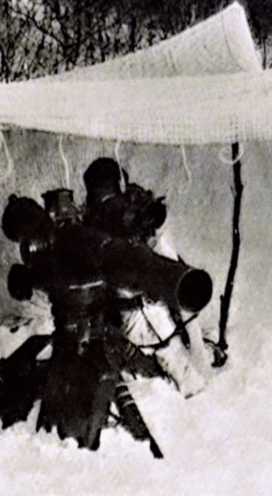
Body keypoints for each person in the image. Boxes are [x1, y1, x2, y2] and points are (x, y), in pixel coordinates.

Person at [83, 158, 220, 397]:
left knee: (172, 331)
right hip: (134, 311)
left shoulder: (126, 214)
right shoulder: (94, 226)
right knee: (168, 352)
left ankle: (195, 363)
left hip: (148, 299)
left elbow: (166, 255)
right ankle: (188, 381)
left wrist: (145, 223)